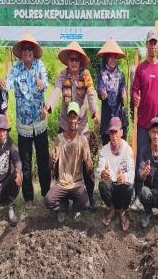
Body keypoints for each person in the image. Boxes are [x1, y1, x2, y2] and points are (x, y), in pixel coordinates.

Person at [44, 41, 100, 211]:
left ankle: (88, 195)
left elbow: (91, 94)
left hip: (82, 127)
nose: (74, 62)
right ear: (67, 61)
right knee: (60, 161)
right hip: (65, 124)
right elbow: (56, 91)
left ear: (81, 61)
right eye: (71, 59)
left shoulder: (86, 75)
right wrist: (49, 106)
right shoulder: (63, 75)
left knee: (85, 163)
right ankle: (61, 199)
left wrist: (95, 112)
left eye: (77, 59)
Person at [4, 33, 50, 208]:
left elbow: (45, 83)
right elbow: (8, 84)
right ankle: (29, 198)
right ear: (21, 53)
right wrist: (3, 86)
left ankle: (46, 194)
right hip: (23, 126)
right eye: (24, 49)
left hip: (39, 124)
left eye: (30, 49)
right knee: (25, 162)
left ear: (34, 52)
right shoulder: (16, 69)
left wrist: (42, 85)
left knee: (43, 160)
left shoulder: (40, 66)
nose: (27, 52)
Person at [132, 30, 158, 195]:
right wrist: (135, 98)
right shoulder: (141, 68)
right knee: (141, 159)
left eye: (155, 43)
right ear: (147, 45)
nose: (153, 46)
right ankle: (138, 192)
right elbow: (135, 90)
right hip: (143, 123)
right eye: (150, 43)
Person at [44, 102, 94, 223]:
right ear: (67, 120)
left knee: (87, 204)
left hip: (76, 183)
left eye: (75, 117)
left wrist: (89, 165)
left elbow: (90, 169)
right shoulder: (59, 139)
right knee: (48, 201)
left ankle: (76, 206)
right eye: (70, 117)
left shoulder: (82, 140)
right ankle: (63, 206)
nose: (72, 120)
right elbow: (50, 166)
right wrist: (52, 158)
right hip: (62, 183)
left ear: (78, 120)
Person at [97, 117, 134, 231]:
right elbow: (98, 171)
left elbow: (132, 173)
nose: (114, 135)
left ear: (121, 132)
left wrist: (125, 177)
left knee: (130, 186)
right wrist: (102, 173)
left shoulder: (128, 150)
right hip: (111, 189)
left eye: (116, 132)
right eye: (111, 132)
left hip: (122, 189)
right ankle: (112, 209)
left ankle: (122, 211)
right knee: (102, 185)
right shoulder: (104, 150)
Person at [97, 38, 128, 145]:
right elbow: (100, 89)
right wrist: (102, 94)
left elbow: (123, 87)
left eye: (115, 57)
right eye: (110, 57)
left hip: (118, 115)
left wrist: (124, 93)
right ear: (106, 58)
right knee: (107, 148)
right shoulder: (102, 74)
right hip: (106, 118)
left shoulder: (121, 74)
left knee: (120, 147)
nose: (113, 59)